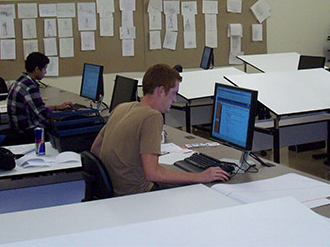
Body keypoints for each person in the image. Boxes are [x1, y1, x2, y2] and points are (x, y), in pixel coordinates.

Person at [91, 63, 229, 196]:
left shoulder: (122, 108)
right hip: (137, 195)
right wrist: (200, 176)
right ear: (161, 90)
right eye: (174, 93)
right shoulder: (152, 116)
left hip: (114, 191)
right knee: (197, 187)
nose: (174, 100)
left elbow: (96, 148)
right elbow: (152, 173)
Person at [7, 52, 72, 143]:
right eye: (44, 69)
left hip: (17, 129)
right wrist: (71, 115)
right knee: (67, 126)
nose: (45, 72)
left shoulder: (20, 81)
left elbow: (37, 109)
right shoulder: (30, 87)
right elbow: (43, 114)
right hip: (28, 133)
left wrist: (57, 107)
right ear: (37, 69)